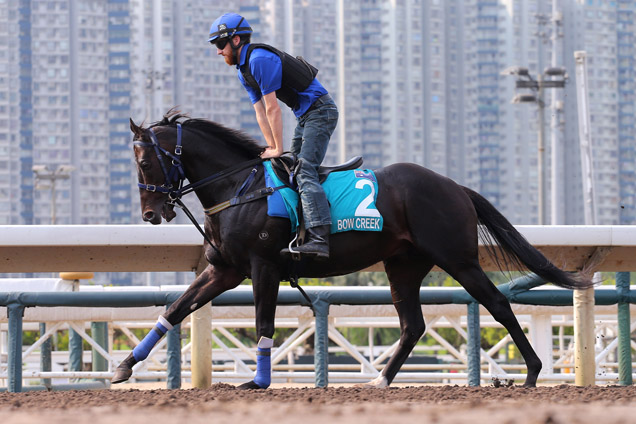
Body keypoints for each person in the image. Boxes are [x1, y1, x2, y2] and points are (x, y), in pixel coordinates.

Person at [209, 13, 338, 260]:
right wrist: (270, 147)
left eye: (219, 45)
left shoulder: (258, 60)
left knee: (305, 170)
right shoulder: (242, 70)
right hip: (306, 115)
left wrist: (278, 148)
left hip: (321, 112)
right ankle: (300, 229)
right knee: (289, 170)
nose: (218, 52)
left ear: (236, 40)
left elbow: (272, 108)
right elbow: (259, 111)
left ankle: (320, 239)